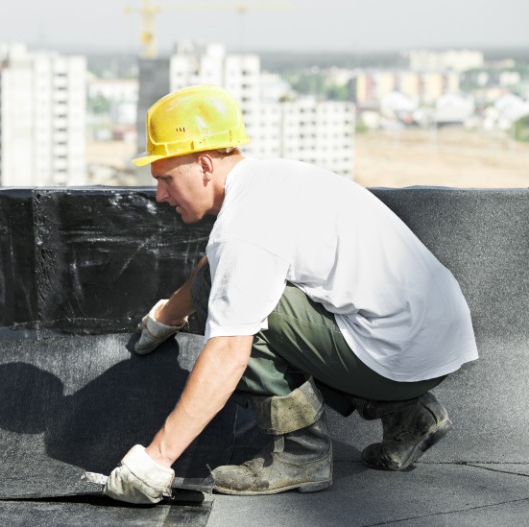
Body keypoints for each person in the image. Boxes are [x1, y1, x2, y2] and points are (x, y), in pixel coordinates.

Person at [101, 85, 478, 504]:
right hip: (431, 340)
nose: (160, 195)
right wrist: (166, 318)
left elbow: (228, 353)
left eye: (166, 179)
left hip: (397, 356)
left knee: (237, 310)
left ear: (204, 165)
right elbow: (218, 265)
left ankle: (301, 454)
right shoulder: (272, 179)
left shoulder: (245, 226)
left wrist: (155, 462)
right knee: (231, 284)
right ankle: (408, 414)